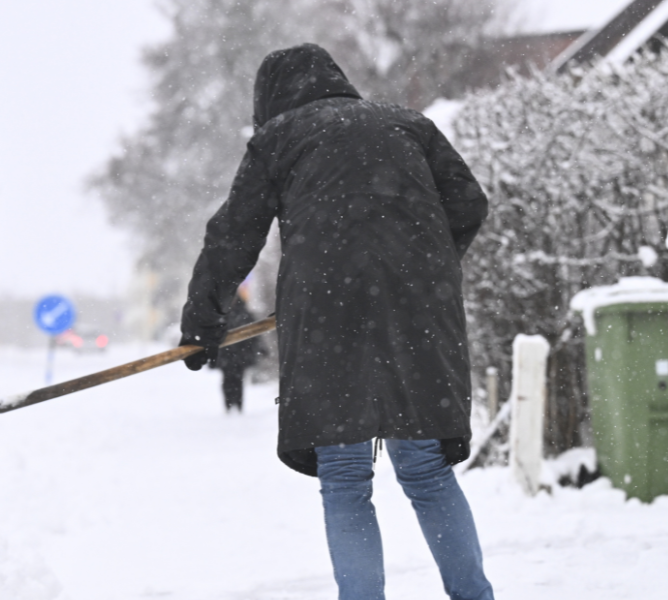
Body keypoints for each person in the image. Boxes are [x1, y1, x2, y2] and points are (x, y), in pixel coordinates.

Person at [179, 43, 492, 600]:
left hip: (326, 315)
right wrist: (419, 271)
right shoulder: (408, 125)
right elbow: (468, 202)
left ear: (270, 100)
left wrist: (203, 321)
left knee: (346, 483)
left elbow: (233, 236)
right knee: (425, 471)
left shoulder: (278, 139)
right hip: (418, 315)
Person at [213, 292, 261, 412]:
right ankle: (228, 404)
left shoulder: (244, 314)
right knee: (227, 381)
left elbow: (254, 334)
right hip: (225, 355)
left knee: (238, 381)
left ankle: (238, 405)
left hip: (240, 354)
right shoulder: (221, 315)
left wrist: (256, 348)